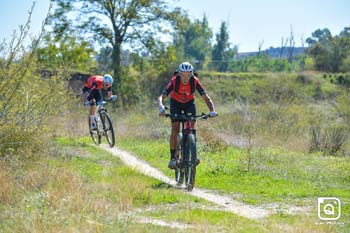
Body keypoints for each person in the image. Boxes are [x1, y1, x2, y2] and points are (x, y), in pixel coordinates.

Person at [158, 62, 217, 169]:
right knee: (175, 128)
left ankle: (192, 153)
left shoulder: (194, 81)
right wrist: (161, 106)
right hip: (175, 104)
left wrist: (212, 110)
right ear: (179, 74)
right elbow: (162, 96)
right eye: (183, 74)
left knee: (191, 128)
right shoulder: (174, 81)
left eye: (188, 74)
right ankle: (172, 158)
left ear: (192, 74)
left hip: (189, 104)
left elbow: (205, 97)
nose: (185, 77)